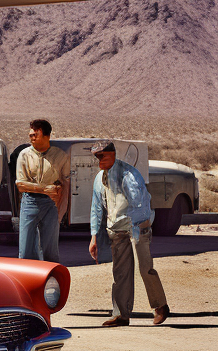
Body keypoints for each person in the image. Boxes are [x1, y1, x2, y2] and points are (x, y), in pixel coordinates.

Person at [88, 141, 170, 327]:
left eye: (103, 156)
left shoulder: (129, 175)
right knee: (120, 272)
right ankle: (121, 315)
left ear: (113, 154)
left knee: (144, 268)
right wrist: (94, 236)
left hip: (138, 225)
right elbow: (96, 209)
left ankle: (160, 306)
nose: (99, 160)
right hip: (117, 229)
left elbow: (140, 205)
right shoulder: (99, 179)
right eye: (97, 157)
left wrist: (136, 231)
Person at [14, 118, 69, 263]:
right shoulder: (24, 155)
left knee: (50, 249)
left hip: (52, 205)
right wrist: (45, 188)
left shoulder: (60, 156)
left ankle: (51, 282)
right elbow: (20, 185)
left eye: (35, 135)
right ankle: (27, 280)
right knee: (26, 248)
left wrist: (61, 211)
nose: (31, 137)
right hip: (29, 202)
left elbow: (66, 185)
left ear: (47, 136)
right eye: (30, 135)